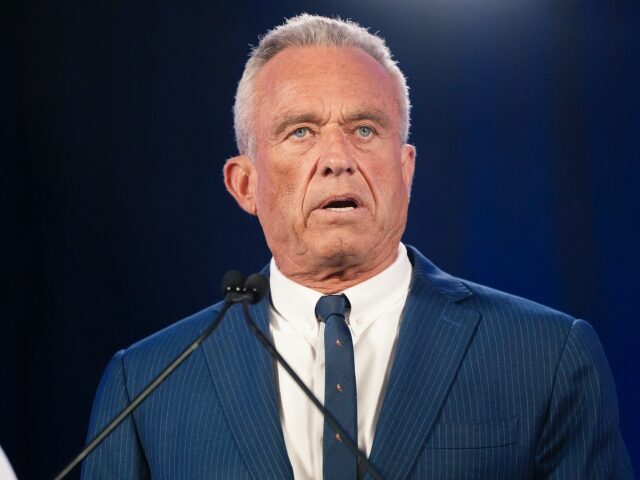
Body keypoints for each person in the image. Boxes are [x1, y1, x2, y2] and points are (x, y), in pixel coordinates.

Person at [81, 14, 633, 479]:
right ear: (244, 183)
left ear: (405, 168)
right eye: (300, 131)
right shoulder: (147, 385)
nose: (337, 158)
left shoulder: (547, 356)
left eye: (365, 129)